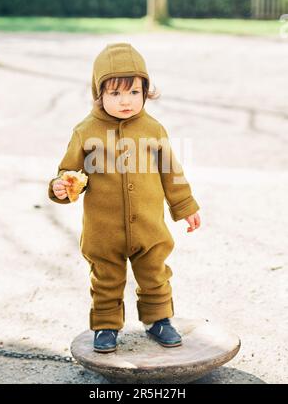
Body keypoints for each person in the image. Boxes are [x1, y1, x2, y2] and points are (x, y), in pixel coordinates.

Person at [48, 42, 201, 353]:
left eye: (134, 92)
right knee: (105, 278)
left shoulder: (154, 129)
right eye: (115, 93)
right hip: (104, 230)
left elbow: (171, 172)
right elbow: (68, 172)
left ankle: (158, 319)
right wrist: (61, 187)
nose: (126, 101)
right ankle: (106, 324)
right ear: (99, 93)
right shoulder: (85, 131)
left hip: (148, 226)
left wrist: (185, 206)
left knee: (155, 272)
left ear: (146, 91)